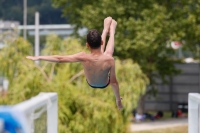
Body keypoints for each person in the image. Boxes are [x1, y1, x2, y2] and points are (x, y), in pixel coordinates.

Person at [26, 17, 123, 110]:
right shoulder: (110, 61)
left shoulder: (83, 56)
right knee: (108, 54)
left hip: (91, 83)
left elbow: (59, 58)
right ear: (102, 42)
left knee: (105, 54)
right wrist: (118, 100)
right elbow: (114, 82)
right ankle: (111, 31)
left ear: (87, 45)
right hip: (104, 83)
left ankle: (106, 29)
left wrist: (39, 57)